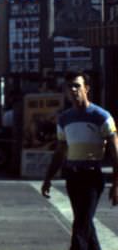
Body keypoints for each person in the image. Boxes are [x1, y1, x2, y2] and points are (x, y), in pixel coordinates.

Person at [41, 72, 118, 250]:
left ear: (87, 89)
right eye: (70, 86)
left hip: (92, 178)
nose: (73, 90)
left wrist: (116, 184)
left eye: (77, 85)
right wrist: (48, 178)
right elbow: (60, 151)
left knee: (80, 227)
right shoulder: (64, 119)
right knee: (85, 224)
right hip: (72, 177)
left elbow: (115, 153)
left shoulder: (102, 117)